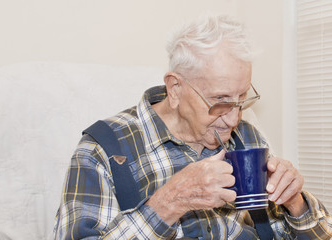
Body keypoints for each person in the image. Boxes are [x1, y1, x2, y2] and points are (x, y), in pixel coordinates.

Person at [54, 15, 332, 239]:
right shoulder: (102, 149)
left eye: (242, 99)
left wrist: (296, 202)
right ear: (175, 88)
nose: (234, 120)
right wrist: (170, 202)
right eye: (219, 101)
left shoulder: (247, 137)